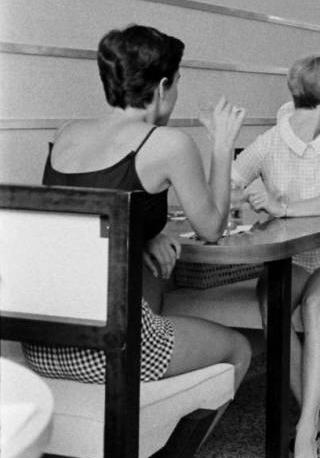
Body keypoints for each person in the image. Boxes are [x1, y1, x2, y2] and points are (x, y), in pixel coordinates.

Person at [25, 25, 252, 396]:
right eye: (177, 83)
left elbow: (81, 224)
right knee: (238, 349)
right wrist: (223, 146)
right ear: (163, 87)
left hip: (42, 340)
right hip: (109, 344)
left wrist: (144, 233)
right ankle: (177, 456)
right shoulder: (168, 144)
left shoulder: (65, 133)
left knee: (153, 295)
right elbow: (212, 228)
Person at [233, 53, 320, 458]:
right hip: (293, 258)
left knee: (314, 307)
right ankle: (309, 407)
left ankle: (307, 424)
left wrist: (281, 205)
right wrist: (245, 197)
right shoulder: (272, 140)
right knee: (271, 302)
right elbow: (229, 183)